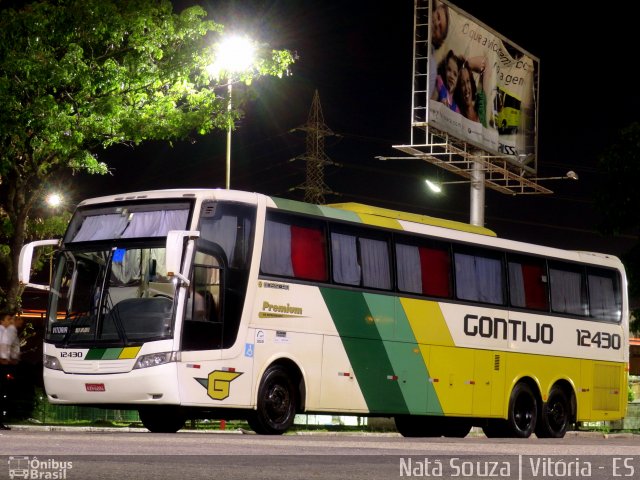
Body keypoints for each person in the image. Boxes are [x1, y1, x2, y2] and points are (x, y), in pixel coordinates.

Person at [0, 310, 23, 430]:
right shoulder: (2, 331)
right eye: (9, 319)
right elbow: (4, 347)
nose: (11, 322)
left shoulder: (4, 331)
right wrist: (5, 360)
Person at [428, 0, 450, 98]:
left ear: (439, 41)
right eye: (437, 16)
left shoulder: (431, 67)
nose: (436, 23)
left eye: (440, 28)